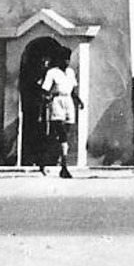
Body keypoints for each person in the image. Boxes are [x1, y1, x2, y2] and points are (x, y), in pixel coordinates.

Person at [40, 48, 82, 178]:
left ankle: (51, 161)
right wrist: (46, 99)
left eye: (68, 59)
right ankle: (64, 167)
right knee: (61, 134)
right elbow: (45, 90)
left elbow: (73, 89)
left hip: (68, 101)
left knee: (65, 135)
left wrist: (78, 100)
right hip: (57, 101)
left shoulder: (70, 72)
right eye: (64, 58)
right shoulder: (52, 72)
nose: (66, 61)